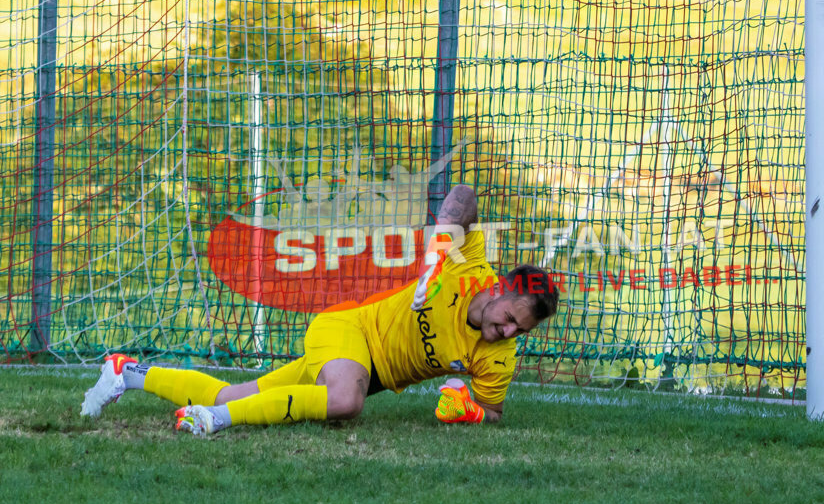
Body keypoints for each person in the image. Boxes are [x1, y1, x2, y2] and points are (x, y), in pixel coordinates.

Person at [80, 185, 560, 434]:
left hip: (366, 368)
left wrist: (472, 413)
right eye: (509, 318)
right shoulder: (467, 263)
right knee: (345, 403)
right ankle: (213, 423)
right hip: (348, 327)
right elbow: (464, 196)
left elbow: (494, 411)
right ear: (499, 287)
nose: (508, 334)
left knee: (232, 393)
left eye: (520, 331)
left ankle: (127, 373)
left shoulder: (500, 357)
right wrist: (436, 251)